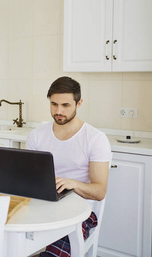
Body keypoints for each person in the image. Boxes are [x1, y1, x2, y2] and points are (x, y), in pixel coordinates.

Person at [26, 76, 111, 257]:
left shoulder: (95, 139)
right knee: (0, 232)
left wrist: (73, 184)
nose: (58, 111)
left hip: (80, 213)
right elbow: (29, 179)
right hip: (42, 207)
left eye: (65, 105)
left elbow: (99, 191)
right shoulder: (36, 135)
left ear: (79, 103)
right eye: (54, 104)